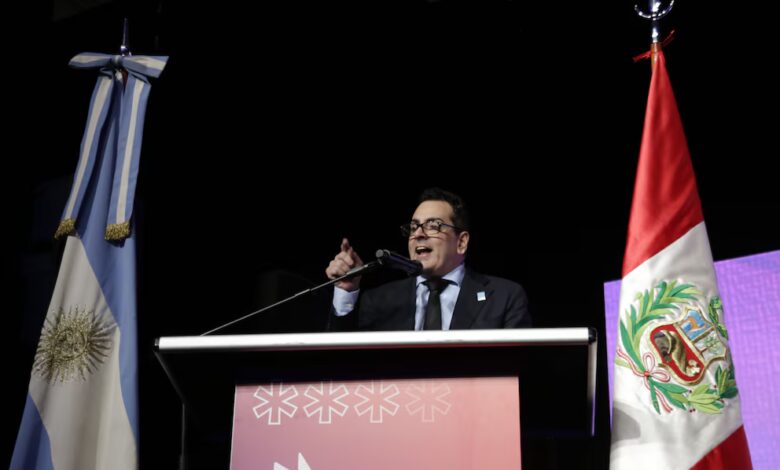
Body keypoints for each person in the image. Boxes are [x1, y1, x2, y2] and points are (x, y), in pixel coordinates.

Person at [325, 187, 531, 331]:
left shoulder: (504, 297)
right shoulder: (379, 301)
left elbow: (518, 368)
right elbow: (341, 365)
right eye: (414, 227)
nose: (419, 234)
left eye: (433, 226)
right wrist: (345, 291)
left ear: (461, 242)